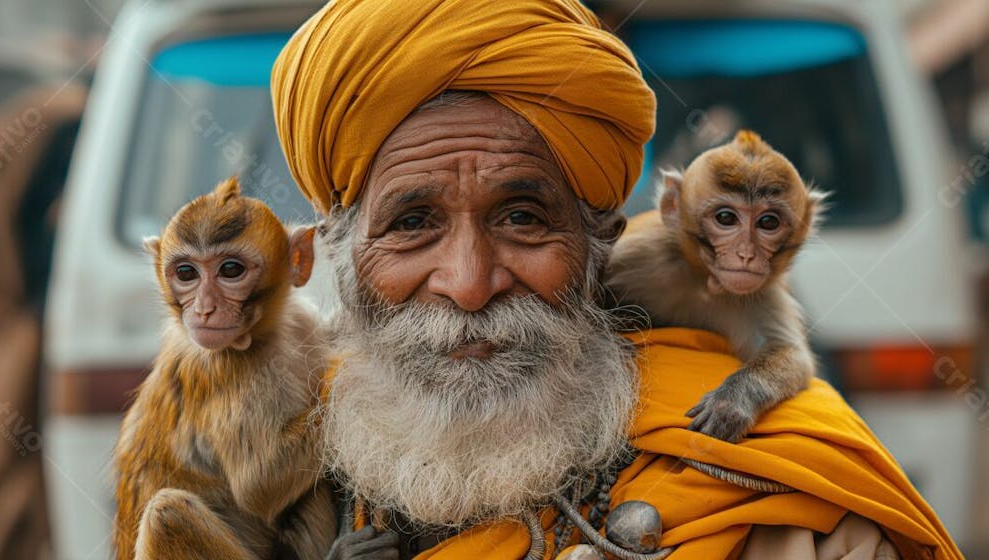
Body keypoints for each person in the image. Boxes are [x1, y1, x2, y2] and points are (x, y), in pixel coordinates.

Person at [270, 0, 962, 558]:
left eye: (521, 216)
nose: (469, 284)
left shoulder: (794, 506)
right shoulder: (248, 475)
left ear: (603, 238)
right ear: (337, 248)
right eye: (412, 222)